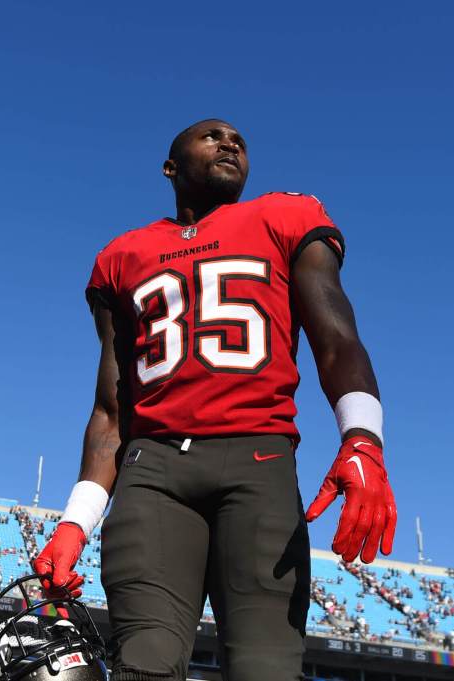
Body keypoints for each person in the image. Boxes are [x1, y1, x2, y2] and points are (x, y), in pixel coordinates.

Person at [34, 119, 396, 681]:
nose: (230, 142)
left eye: (239, 140)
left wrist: (362, 439)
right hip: (150, 471)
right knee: (143, 663)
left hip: (258, 460)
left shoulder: (284, 215)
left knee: (265, 669)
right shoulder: (121, 256)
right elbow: (111, 408)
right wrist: (75, 521)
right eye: (211, 136)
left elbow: (337, 337)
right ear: (170, 166)